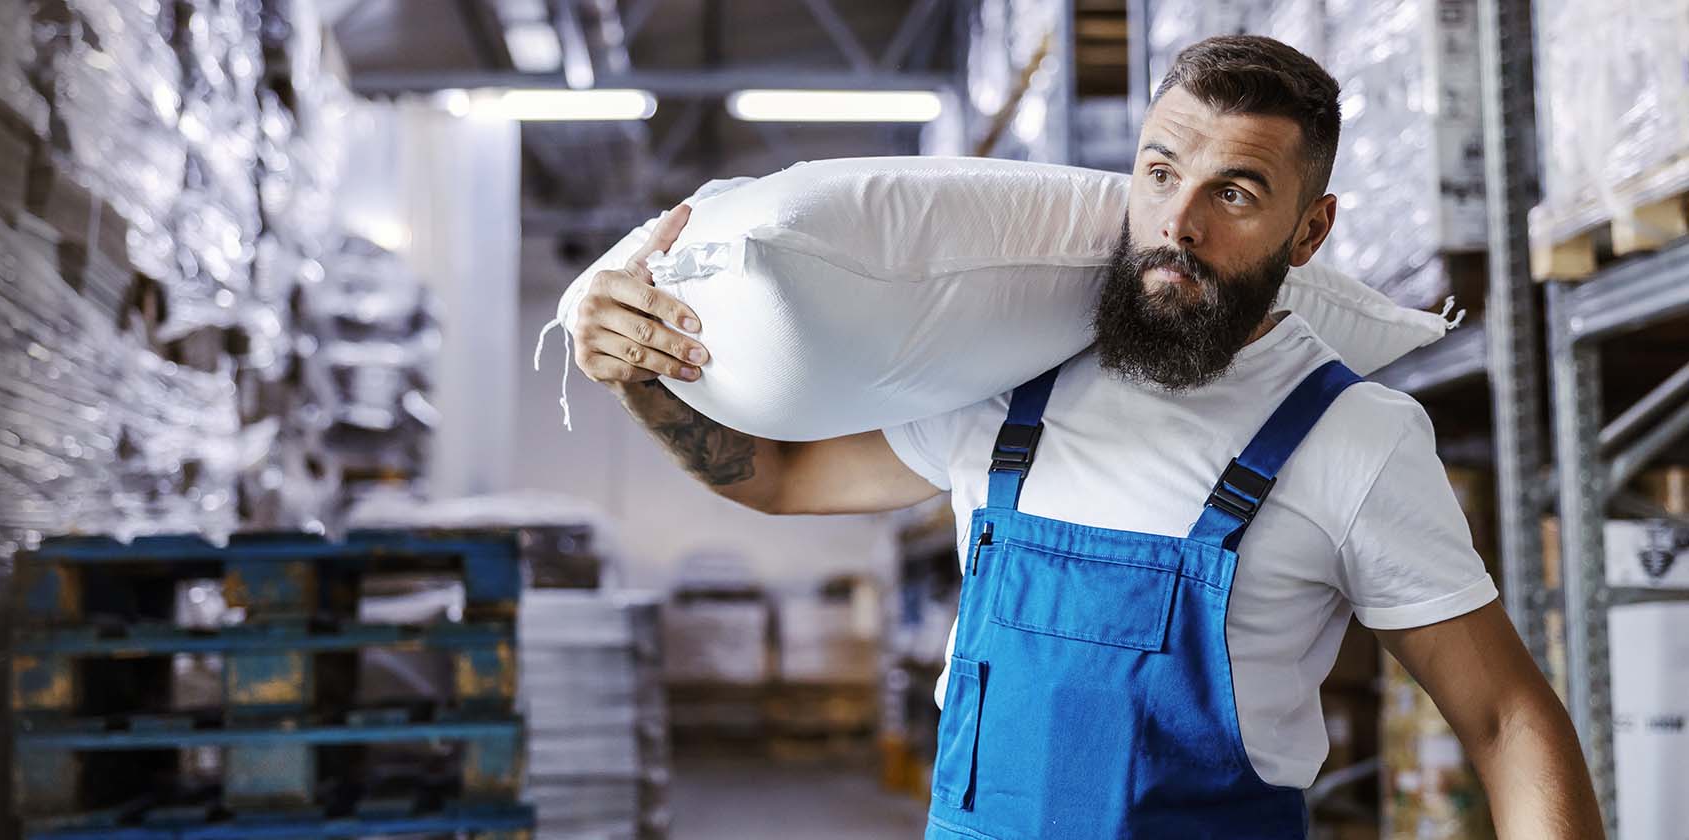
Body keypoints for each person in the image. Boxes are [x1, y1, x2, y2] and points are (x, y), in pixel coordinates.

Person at [566, 34, 1602, 839]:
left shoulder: (1351, 437)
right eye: (1159, 173)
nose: (1178, 225)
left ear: (1308, 232)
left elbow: (1507, 719)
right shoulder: (1003, 383)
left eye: (1233, 194)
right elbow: (783, 480)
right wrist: (636, 380)